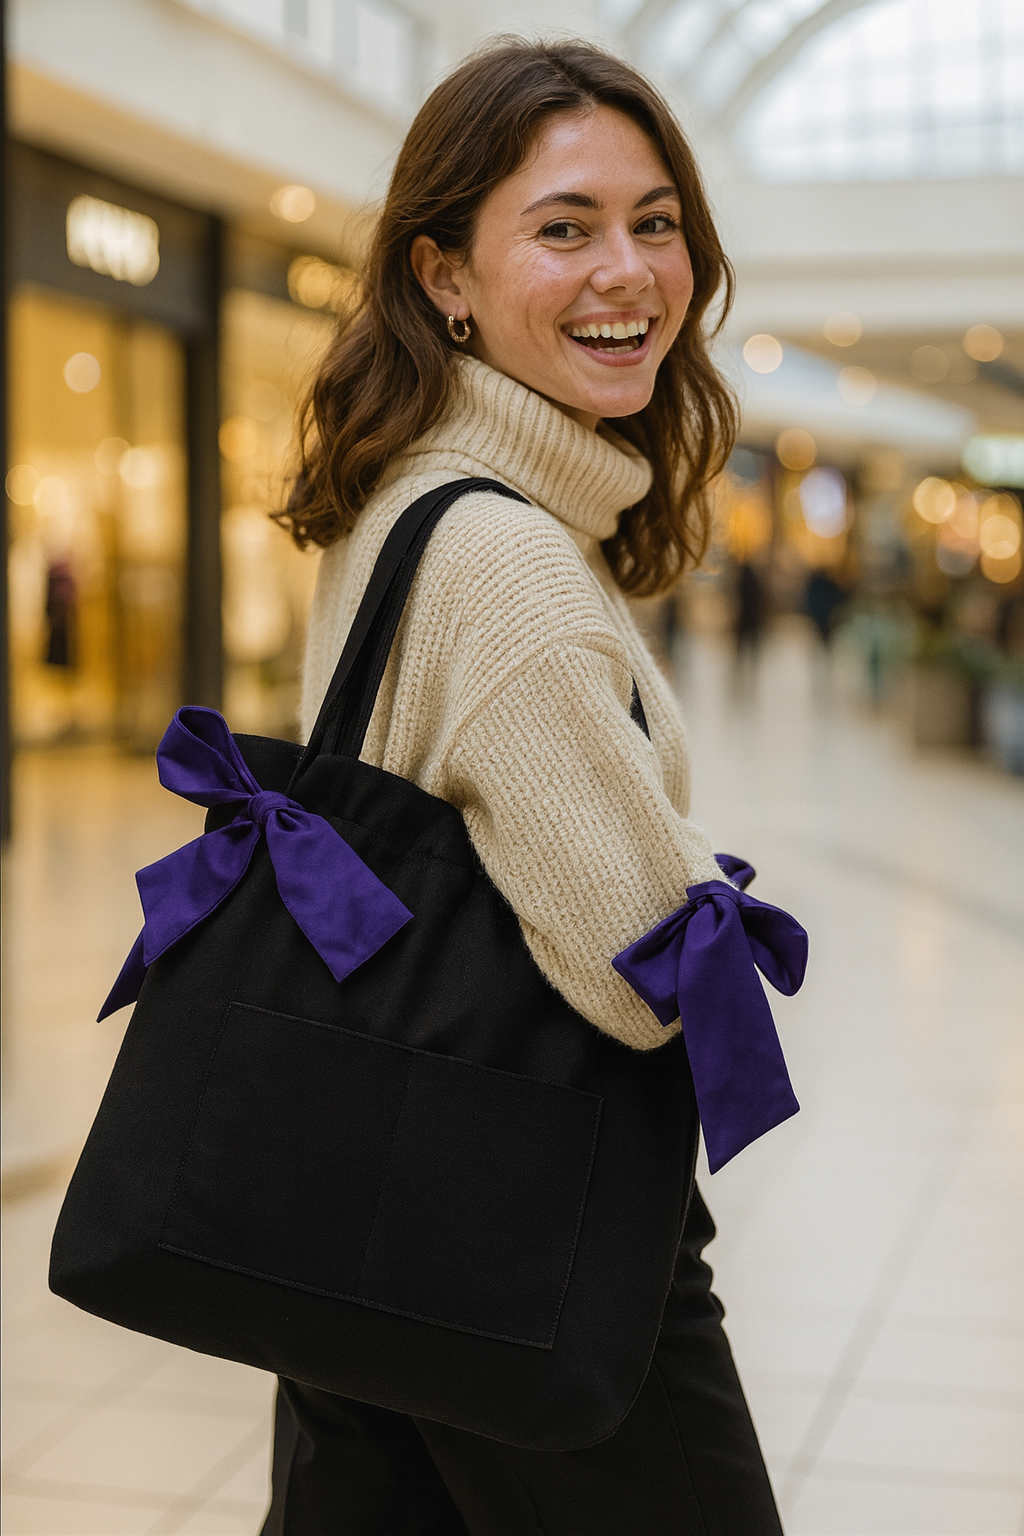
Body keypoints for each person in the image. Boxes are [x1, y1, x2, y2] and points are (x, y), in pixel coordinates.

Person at [266, 38, 782, 1535]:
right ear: (447, 277)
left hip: (357, 1197)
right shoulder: (505, 559)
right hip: (521, 1245)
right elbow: (638, 967)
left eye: (657, 221)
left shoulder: (407, 495)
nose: (628, 271)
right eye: (563, 228)